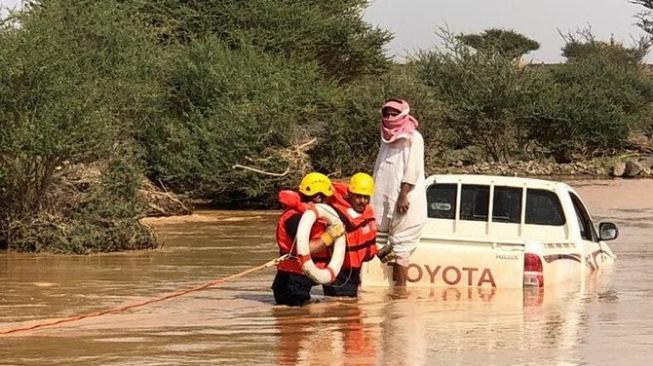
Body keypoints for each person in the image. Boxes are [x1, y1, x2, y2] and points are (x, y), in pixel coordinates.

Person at [371, 98, 427, 287]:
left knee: (402, 246)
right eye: (386, 113)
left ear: (403, 114)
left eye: (394, 113)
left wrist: (404, 194)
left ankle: (399, 293)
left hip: (405, 197)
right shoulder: (385, 138)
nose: (389, 117)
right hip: (384, 195)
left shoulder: (414, 137)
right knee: (379, 238)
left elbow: (413, 168)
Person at [272, 172, 345, 306]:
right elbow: (306, 248)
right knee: (296, 322)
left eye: (323, 197)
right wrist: (329, 237)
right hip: (290, 280)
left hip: (307, 276)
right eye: (317, 196)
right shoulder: (294, 218)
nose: (320, 199)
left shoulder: (325, 216)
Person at [322, 173, 377, 298]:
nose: (362, 201)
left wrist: (378, 251)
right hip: (338, 272)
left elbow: (364, 238)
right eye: (358, 196)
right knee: (342, 310)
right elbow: (324, 242)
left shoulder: (367, 213)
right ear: (349, 195)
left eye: (366, 197)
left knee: (352, 312)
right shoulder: (336, 214)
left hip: (354, 272)